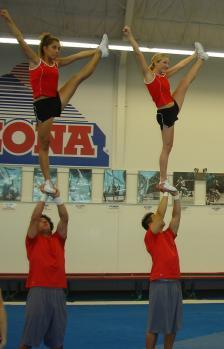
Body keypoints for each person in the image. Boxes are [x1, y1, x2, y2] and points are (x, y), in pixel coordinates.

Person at [0, 9, 109, 194]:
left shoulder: (57, 63)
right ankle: (48, 181)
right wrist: (9, 19)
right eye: (54, 48)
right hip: (42, 106)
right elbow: (20, 39)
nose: (57, 51)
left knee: (77, 78)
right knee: (44, 145)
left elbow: (77, 56)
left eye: (59, 48)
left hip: (55, 99)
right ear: (45, 48)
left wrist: (95, 50)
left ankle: (101, 52)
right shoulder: (36, 61)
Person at [123, 25, 208, 193]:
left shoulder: (164, 75)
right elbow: (138, 54)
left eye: (168, 63)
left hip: (173, 106)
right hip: (164, 113)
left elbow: (180, 66)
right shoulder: (149, 75)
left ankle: (201, 58)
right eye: (164, 62)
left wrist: (192, 55)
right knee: (167, 147)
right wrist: (130, 37)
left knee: (185, 82)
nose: (167, 65)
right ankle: (163, 180)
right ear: (155, 62)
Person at [20, 186, 69, 349]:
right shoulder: (32, 239)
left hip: (59, 291)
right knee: (28, 340)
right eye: (41, 221)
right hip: (38, 289)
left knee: (57, 341)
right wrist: (44, 196)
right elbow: (34, 218)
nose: (44, 221)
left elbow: (65, 218)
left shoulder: (58, 239)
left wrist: (57, 198)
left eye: (46, 220)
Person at [142, 191, 182, 349]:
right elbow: (160, 213)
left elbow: (176, 216)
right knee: (155, 326)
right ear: (150, 225)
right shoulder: (150, 237)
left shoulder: (169, 235)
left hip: (175, 283)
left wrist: (176, 196)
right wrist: (165, 192)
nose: (160, 219)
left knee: (172, 326)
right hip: (160, 283)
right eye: (155, 218)